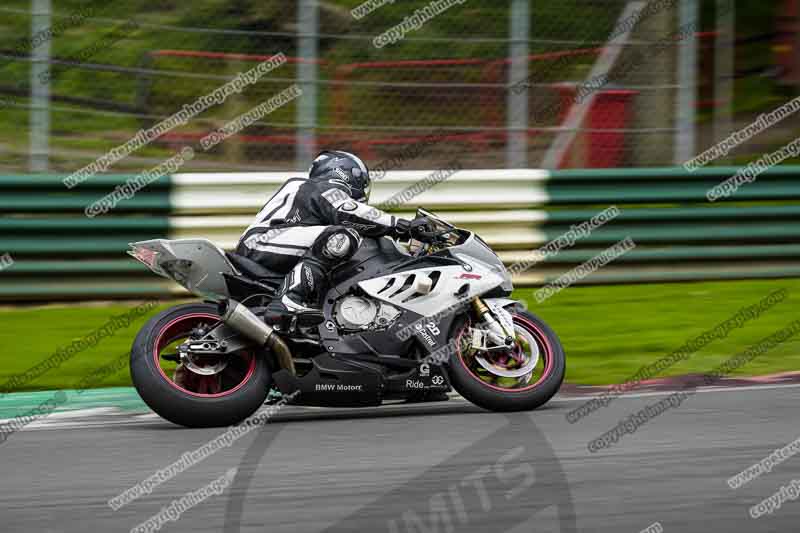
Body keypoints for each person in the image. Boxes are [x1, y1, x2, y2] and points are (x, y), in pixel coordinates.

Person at [236, 150, 426, 315]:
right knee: (343, 236)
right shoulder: (316, 186)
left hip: (269, 244)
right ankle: (289, 299)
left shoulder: (312, 194)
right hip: (262, 242)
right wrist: (402, 226)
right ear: (348, 173)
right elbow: (348, 211)